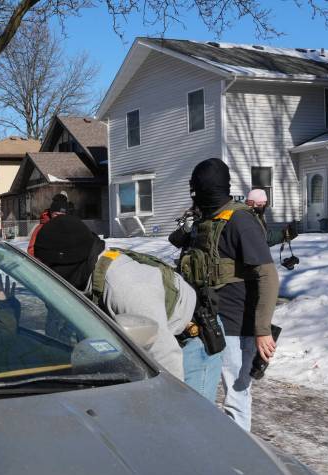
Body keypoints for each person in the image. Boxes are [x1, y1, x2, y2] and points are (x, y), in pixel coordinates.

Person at [29, 213, 199, 384]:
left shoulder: (125, 287)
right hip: (138, 351)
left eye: (49, 268)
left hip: (184, 344)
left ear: (66, 264)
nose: (48, 276)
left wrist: (174, 404)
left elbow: (165, 353)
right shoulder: (83, 278)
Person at [177, 158, 279, 431]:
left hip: (236, 325)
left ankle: (238, 454)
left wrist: (262, 329)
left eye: (196, 188)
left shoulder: (240, 221)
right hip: (205, 321)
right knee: (196, 390)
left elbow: (268, 275)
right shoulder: (206, 220)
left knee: (236, 395)